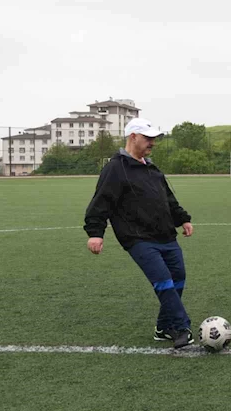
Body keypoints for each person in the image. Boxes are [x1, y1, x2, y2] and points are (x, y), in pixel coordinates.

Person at [84, 117, 195, 349]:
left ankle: (163, 328)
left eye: (153, 138)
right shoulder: (116, 168)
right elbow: (101, 202)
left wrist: (182, 218)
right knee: (163, 282)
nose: (152, 143)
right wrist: (95, 233)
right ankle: (181, 327)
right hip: (138, 238)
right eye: (148, 138)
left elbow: (168, 198)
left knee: (178, 279)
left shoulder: (151, 168)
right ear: (133, 137)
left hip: (165, 235)